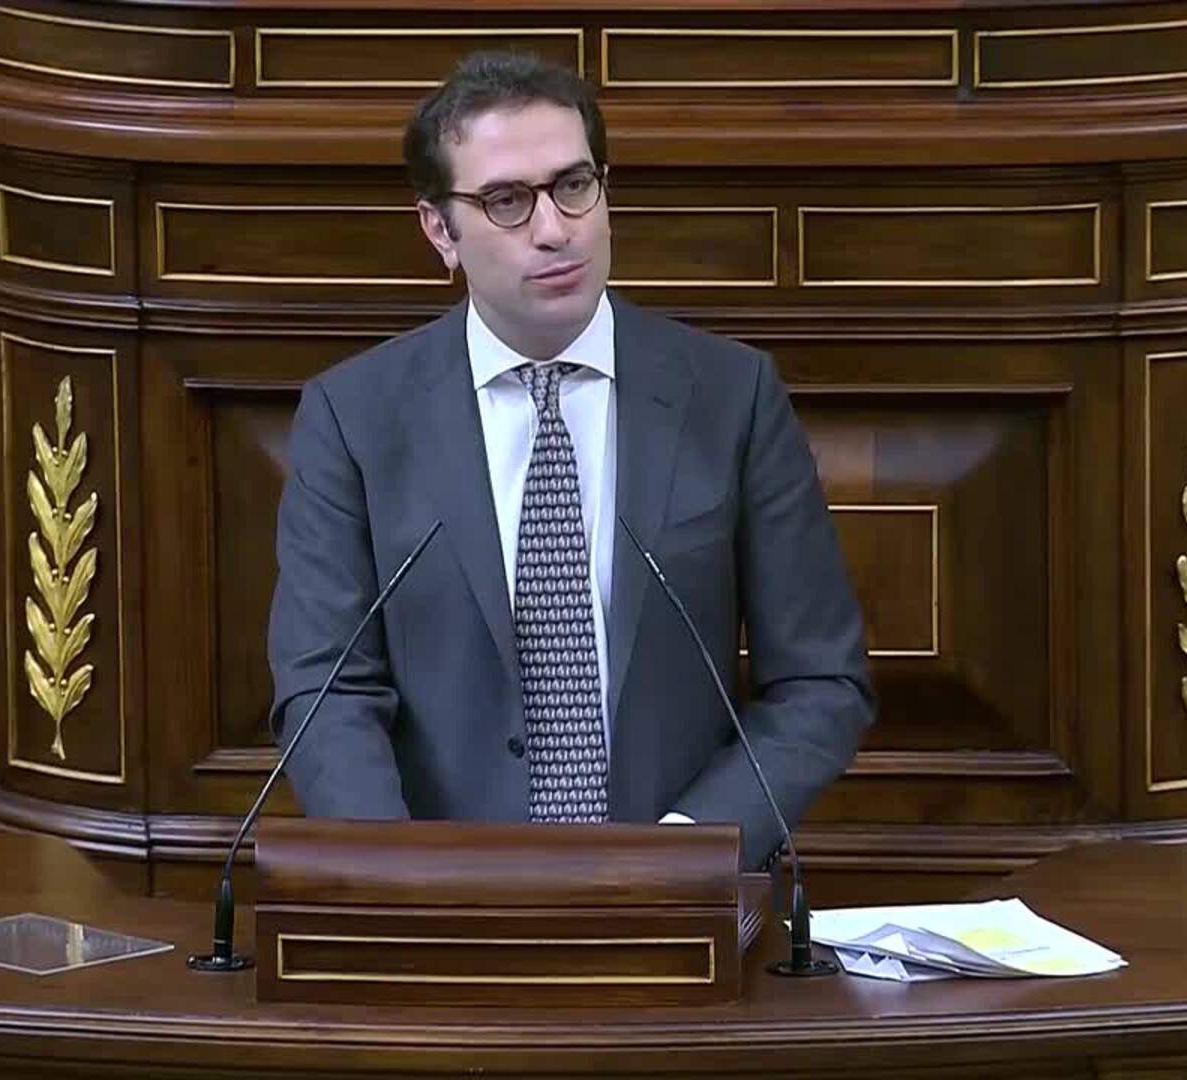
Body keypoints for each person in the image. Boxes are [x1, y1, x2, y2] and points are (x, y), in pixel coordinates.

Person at [265, 51, 873, 870]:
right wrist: (400, 873)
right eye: (507, 201)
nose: (554, 229)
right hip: (442, 901)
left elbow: (820, 683)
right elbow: (324, 687)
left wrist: (690, 851)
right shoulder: (355, 417)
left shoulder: (732, 396)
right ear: (440, 230)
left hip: (674, 897)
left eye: (574, 186)